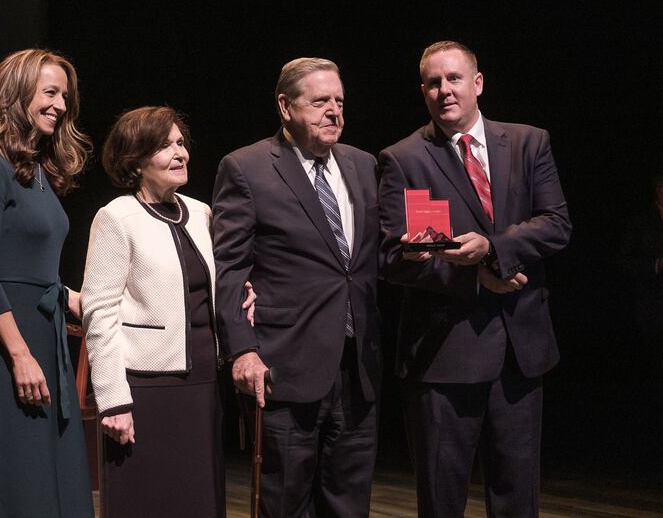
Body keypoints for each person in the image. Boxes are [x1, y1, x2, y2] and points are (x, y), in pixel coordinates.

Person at [378, 41, 572, 517]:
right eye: (433, 82)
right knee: (442, 499)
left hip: (519, 352)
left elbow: (556, 224)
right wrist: (477, 279)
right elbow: (394, 257)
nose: (444, 90)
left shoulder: (528, 142)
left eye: (454, 78)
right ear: (423, 91)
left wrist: (493, 250)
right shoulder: (404, 158)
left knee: (517, 497)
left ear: (478, 83)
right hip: (443, 356)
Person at [212, 58, 382, 517]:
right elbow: (229, 268)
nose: (334, 111)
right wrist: (242, 349)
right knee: (285, 503)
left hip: (357, 367)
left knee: (350, 504)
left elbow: (368, 259)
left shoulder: (363, 164)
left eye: (339, 101)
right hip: (284, 365)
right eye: (321, 101)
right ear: (285, 106)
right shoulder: (247, 167)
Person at [81, 106, 255, 518]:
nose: (180, 153)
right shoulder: (116, 218)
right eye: (165, 146)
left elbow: (214, 281)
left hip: (203, 384)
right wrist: (112, 400)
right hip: (145, 387)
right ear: (136, 161)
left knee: (198, 499)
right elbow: (99, 312)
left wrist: (242, 291)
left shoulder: (201, 213)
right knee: (147, 500)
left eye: (180, 143)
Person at [0, 49, 93, 517]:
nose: (60, 105)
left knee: (53, 478)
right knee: (16, 482)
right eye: (50, 93)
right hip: (6, 348)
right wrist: (19, 356)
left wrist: (75, 298)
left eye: (65, 96)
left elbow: (36, 269)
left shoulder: (38, 175)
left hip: (46, 340)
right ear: (16, 96)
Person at [618, 168, 663, 472]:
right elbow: (621, 265)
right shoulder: (640, 223)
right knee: (658, 387)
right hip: (653, 320)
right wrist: (657, 265)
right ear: (660, 190)